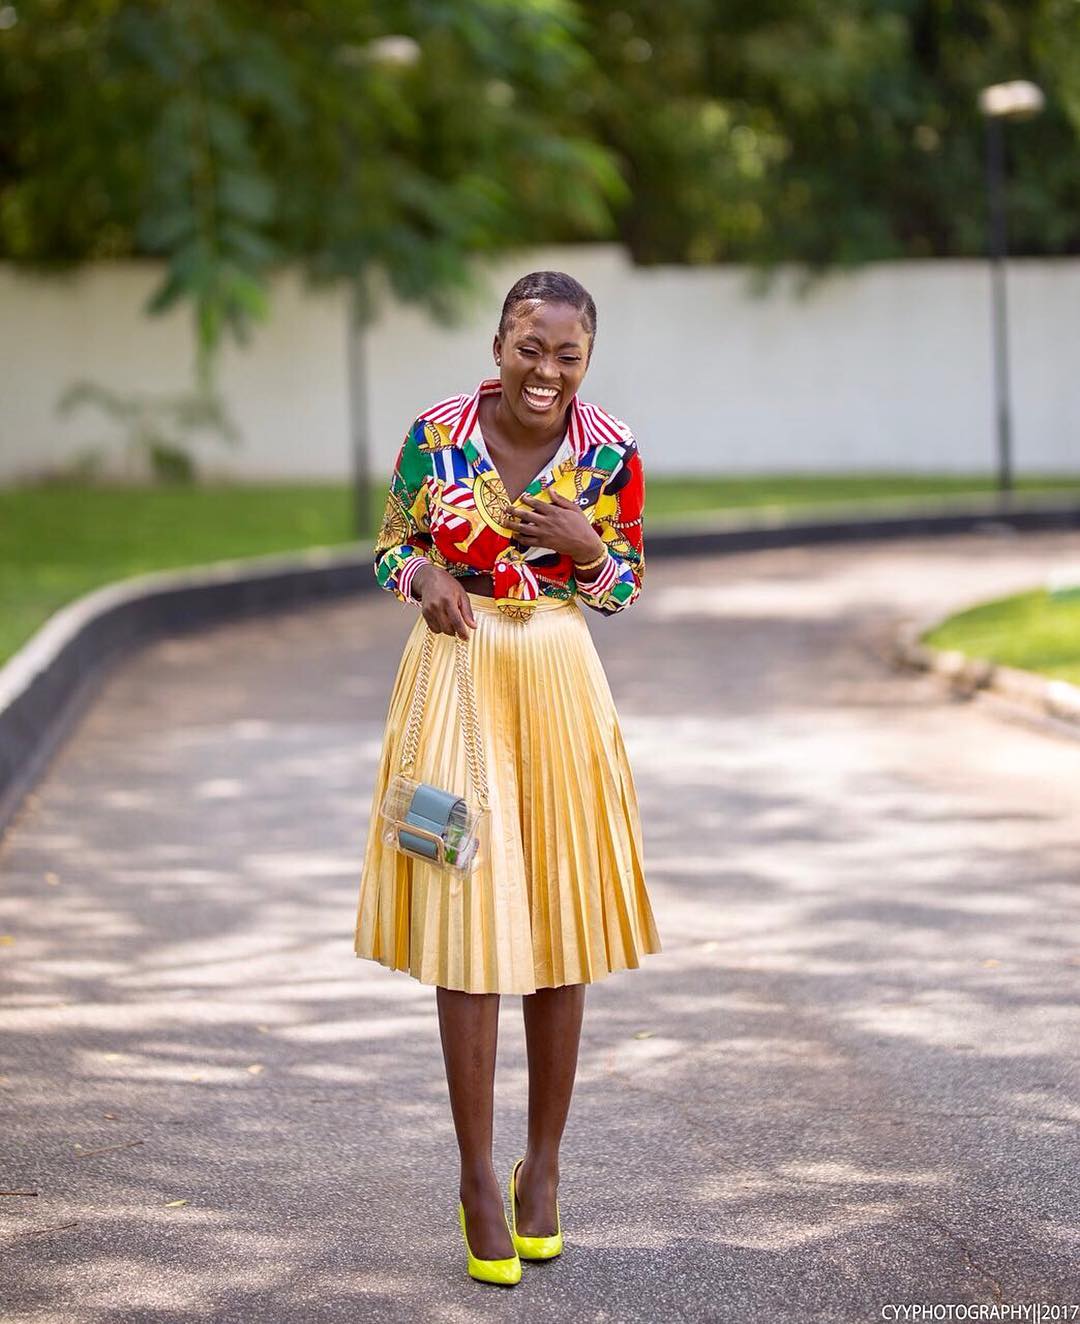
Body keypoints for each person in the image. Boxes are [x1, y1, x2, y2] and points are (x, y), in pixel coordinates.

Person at [353, 270, 662, 1286]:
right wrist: (427, 576)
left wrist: (583, 551)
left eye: (567, 355)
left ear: (587, 360)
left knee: (562, 916)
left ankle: (546, 1174)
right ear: (499, 343)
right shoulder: (435, 433)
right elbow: (392, 547)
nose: (547, 370)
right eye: (531, 347)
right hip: (453, 680)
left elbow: (623, 586)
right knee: (462, 904)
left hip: (558, 680)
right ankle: (479, 1177)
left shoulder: (611, 453)